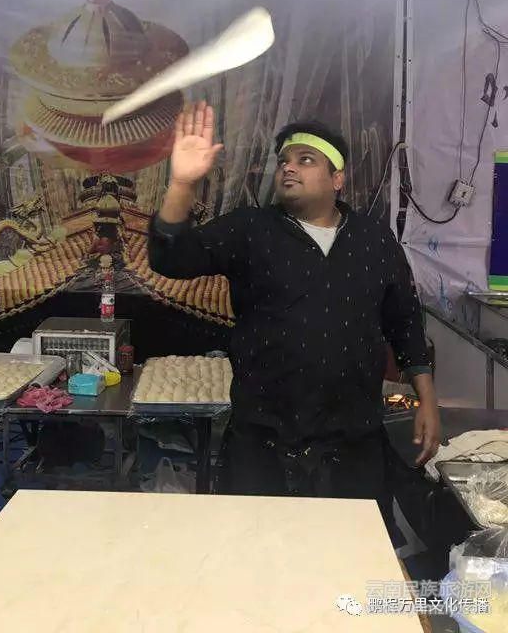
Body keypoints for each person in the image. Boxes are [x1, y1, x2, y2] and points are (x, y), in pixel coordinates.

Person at [148, 101, 441, 532]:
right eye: (284, 160)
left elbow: (405, 323)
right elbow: (169, 258)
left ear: (337, 178)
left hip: (352, 445)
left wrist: (427, 400)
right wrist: (181, 184)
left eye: (306, 160)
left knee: (350, 558)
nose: (288, 167)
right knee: (255, 556)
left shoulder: (374, 242)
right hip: (262, 444)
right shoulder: (250, 230)